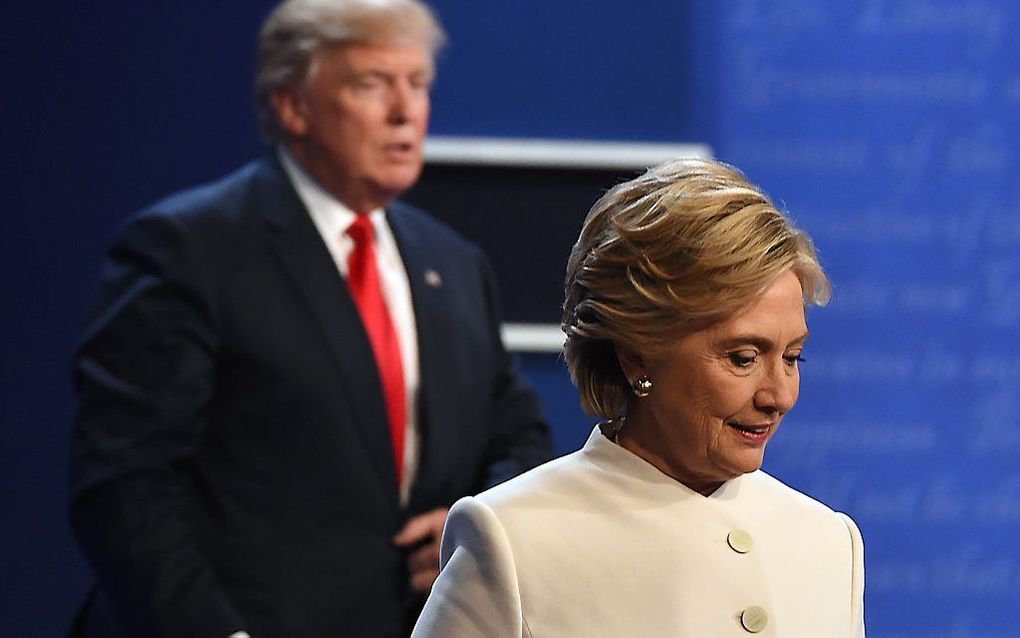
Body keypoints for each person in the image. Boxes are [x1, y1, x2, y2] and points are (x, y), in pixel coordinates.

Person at [68, 1, 552, 636]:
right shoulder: (189, 248)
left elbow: (519, 440)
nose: (406, 112)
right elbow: (125, 486)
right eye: (371, 84)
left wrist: (474, 526)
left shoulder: (453, 264)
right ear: (292, 106)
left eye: (419, 83)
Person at [413, 158, 866, 637]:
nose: (779, 396)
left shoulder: (829, 543)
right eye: (743, 357)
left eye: (793, 357)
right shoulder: (512, 541)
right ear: (636, 356)